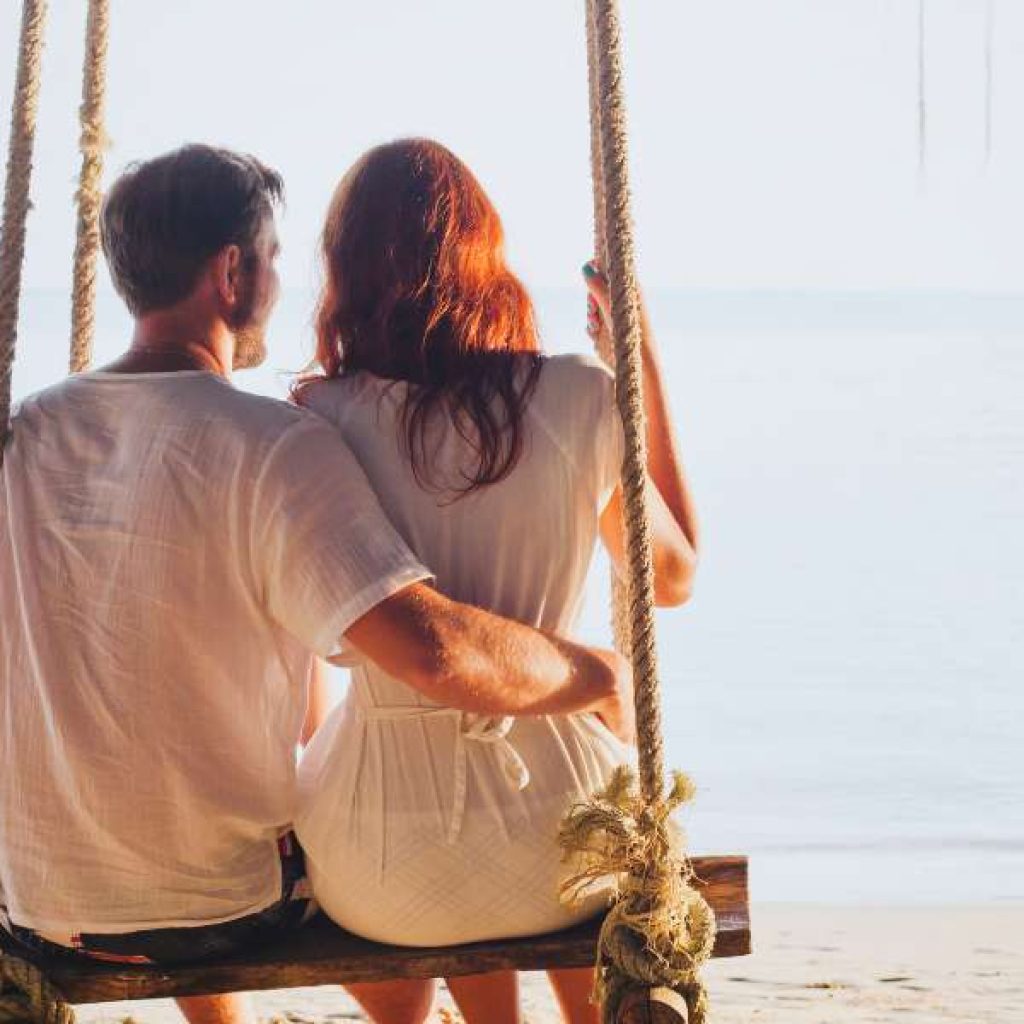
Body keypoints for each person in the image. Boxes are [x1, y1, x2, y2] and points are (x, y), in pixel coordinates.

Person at [0, 144, 633, 1024]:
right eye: (271, 257)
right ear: (233, 272)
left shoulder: (25, 432)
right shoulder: (270, 445)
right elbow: (434, 650)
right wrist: (598, 675)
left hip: (37, 909)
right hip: (223, 914)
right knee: (359, 889)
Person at [294, 138, 698, 1024]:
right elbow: (670, 576)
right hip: (567, 848)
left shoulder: (316, 420)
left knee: (341, 800)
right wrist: (640, 364)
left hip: (381, 869)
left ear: (345, 270)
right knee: (567, 854)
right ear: (488, 255)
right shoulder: (579, 396)